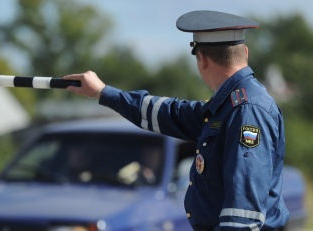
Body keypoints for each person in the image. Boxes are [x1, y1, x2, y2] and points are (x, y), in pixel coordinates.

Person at [63, 10, 289, 231]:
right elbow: (168, 113)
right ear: (245, 53)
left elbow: (242, 217)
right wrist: (103, 92)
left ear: (201, 59)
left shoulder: (245, 110)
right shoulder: (229, 106)